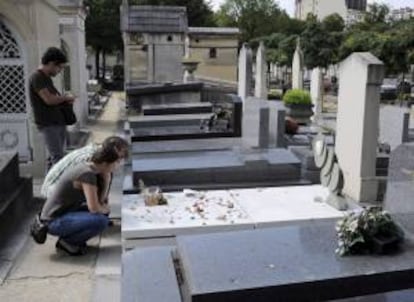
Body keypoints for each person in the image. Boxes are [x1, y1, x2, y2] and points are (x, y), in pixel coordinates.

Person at [31, 137, 129, 256]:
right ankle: (67, 242)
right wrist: (104, 209)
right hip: (52, 221)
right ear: (105, 163)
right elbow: (94, 208)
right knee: (101, 220)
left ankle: (71, 238)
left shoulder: (93, 169)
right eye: (117, 162)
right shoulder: (87, 174)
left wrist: (106, 179)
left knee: (102, 215)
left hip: (63, 213)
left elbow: (100, 201)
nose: (118, 165)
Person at [29, 47, 76, 170]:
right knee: (58, 159)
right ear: (51, 63)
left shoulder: (46, 78)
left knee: (54, 159)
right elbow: (49, 100)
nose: (60, 70)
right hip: (48, 124)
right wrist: (65, 98)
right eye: (59, 67)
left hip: (57, 122)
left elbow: (54, 99)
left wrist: (63, 99)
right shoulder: (37, 77)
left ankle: (49, 188)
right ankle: (57, 188)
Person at [41, 136, 129, 198]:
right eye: (119, 159)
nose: (119, 163)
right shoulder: (89, 161)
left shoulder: (99, 154)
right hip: (51, 192)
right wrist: (99, 206)